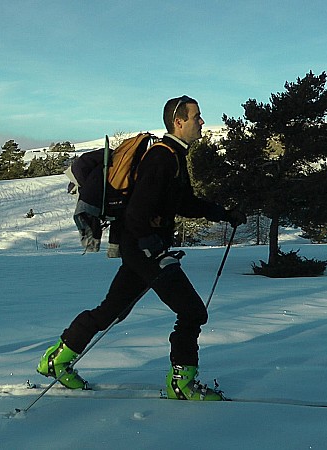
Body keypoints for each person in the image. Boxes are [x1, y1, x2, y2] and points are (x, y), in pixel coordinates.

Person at [37, 96, 246, 401]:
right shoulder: (162, 157)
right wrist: (151, 244)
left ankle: (58, 358)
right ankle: (182, 384)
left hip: (141, 248)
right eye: (196, 117)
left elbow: (184, 202)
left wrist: (224, 213)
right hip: (146, 249)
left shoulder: (174, 155)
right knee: (192, 311)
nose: (201, 122)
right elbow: (137, 211)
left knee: (112, 310)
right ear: (179, 122)